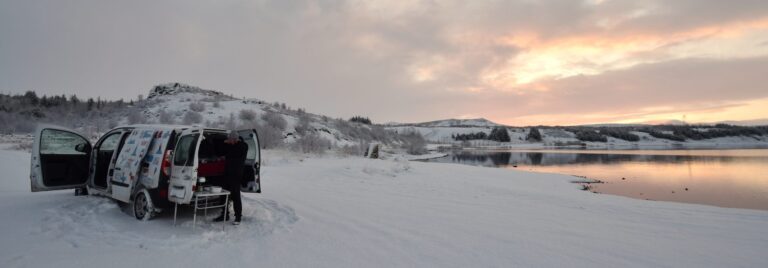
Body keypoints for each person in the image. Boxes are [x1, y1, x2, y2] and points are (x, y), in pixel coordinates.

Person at [214, 130, 248, 225]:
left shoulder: (243, 146)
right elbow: (220, 152)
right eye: (229, 139)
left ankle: (238, 217)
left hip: (236, 175)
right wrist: (223, 143)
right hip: (227, 174)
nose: (229, 141)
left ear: (235, 139)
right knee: (224, 194)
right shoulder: (230, 146)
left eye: (230, 139)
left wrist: (228, 145)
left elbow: (234, 153)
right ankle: (224, 214)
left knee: (235, 195)